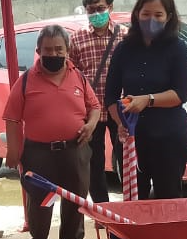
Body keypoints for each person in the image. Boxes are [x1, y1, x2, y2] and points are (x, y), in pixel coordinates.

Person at [3, 25, 100, 239]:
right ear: (38, 51)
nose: (54, 54)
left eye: (59, 49)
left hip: (74, 149)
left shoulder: (79, 77)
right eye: (48, 49)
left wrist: (90, 125)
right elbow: (12, 118)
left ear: (67, 50)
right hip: (39, 152)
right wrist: (13, 152)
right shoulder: (26, 81)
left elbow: (95, 107)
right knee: (40, 199)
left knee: (76, 196)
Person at [105, 0, 187, 200]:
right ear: (137, 14)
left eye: (158, 15)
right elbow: (110, 95)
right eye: (146, 14)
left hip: (169, 138)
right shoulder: (124, 49)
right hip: (132, 139)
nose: (151, 20)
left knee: (168, 199)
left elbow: (181, 93)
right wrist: (121, 123)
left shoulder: (177, 48)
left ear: (168, 17)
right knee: (133, 201)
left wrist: (148, 100)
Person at [70, 0, 124, 205]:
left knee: (125, 159)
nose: (96, 14)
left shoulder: (125, 36)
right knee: (94, 163)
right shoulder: (76, 39)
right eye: (91, 10)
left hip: (121, 110)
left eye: (100, 8)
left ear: (110, 7)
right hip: (90, 113)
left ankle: (131, 206)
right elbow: (71, 76)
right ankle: (102, 210)